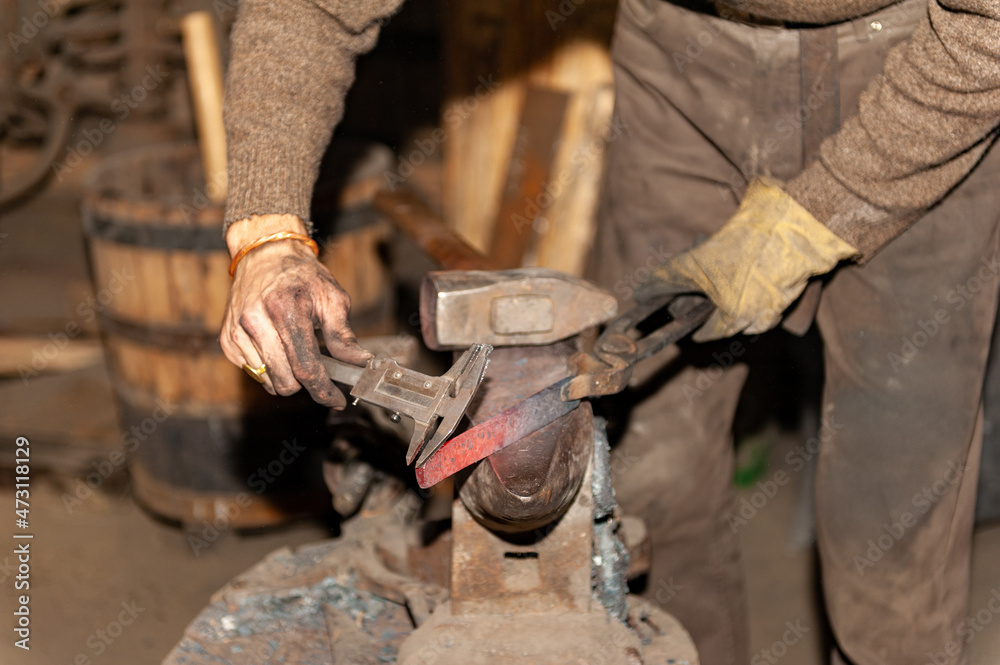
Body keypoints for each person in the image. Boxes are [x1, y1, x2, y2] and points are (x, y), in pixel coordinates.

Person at [219, 1, 1000, 663]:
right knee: (657, 477)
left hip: (925, 69)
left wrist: (821, 214)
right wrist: (268, 235)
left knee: (892, 521)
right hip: (681, 63)